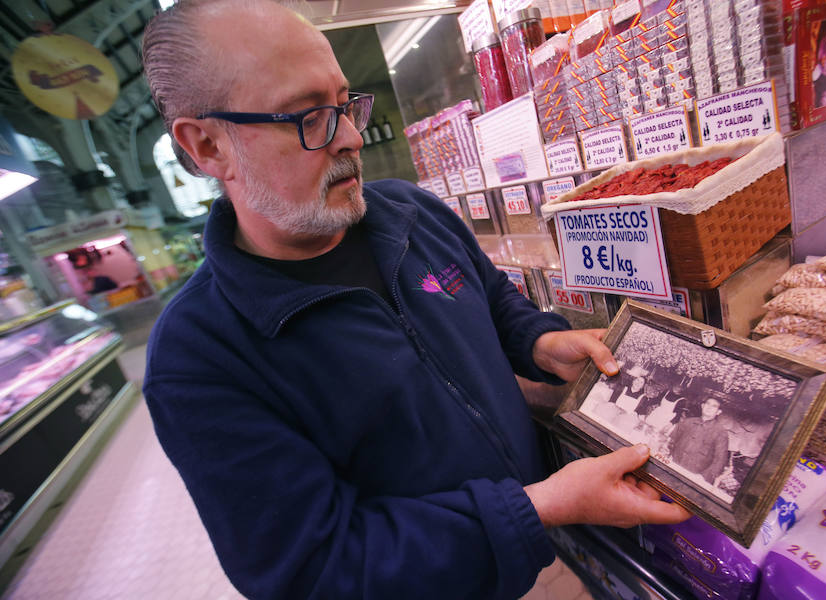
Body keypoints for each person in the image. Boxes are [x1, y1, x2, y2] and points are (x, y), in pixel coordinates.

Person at [140, 2, 689, 598]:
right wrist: (539, 507)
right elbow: (316, 570)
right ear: (207, 146)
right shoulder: (198, 357)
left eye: (345, 104)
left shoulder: (410, 211)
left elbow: (490, 298)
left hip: (544, 549)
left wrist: (539, 341)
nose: (351, 137)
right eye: (309, 117)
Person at [667, 394, 731, 485]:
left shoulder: (721, 432)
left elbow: (720, 461)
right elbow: (671, 442)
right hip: (672, 467)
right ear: (702, 406)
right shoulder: (687, 422)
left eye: (714, 406)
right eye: (707, 404)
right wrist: (668, 457)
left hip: (693, 478)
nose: (709, 407)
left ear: (718, 412)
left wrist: (702, 478)